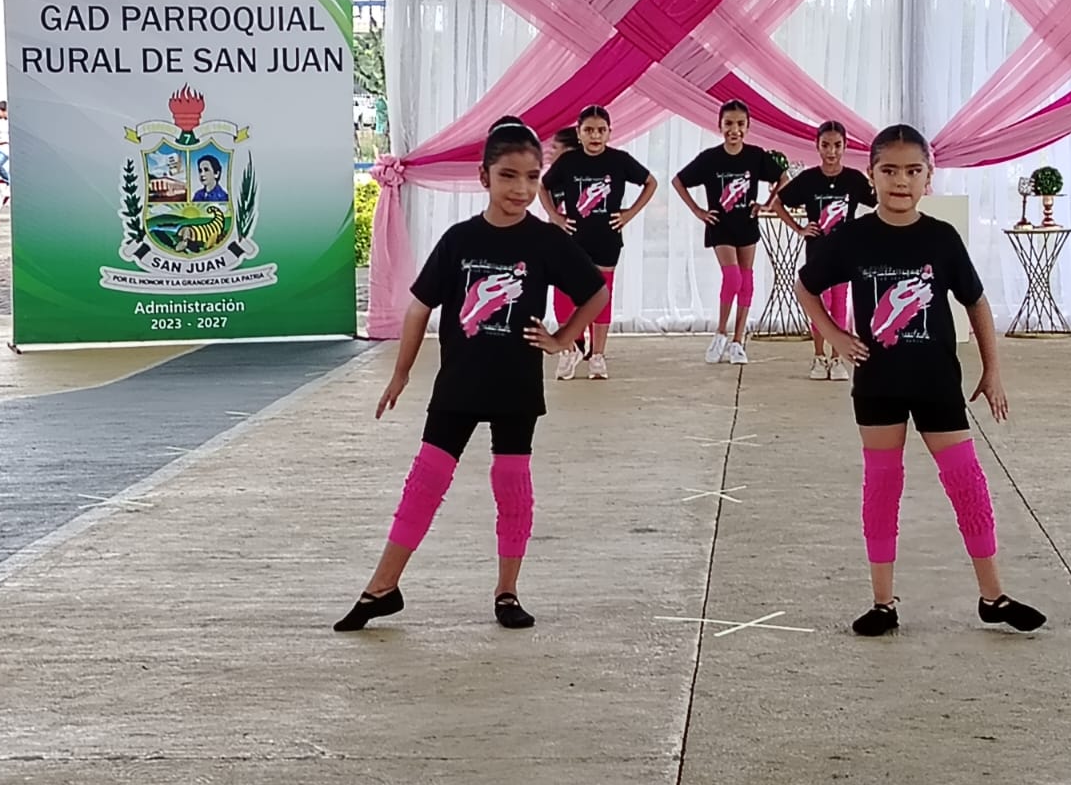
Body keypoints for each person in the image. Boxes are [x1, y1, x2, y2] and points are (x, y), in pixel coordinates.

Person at [335, 117, 609, 633]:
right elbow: (419, 308)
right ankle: (383, 587)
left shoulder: (546, 241)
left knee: (511, 484)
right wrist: (401, 374)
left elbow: (596, 292)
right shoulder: (460, 239)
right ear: (484, 177)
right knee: (425, 481)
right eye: (508, 176)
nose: (521, 189)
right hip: (458, 384)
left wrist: (562, 339)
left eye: (532, 177)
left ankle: (507, 592)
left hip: (515, 386)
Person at [793, 123, 1045, 638]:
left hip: (936, 383)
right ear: (871, 176)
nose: (901, 181)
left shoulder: (941, 238)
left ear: (928, 177)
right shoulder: (853, 238)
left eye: (912, 171)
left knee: (966, 482)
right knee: (883, 486)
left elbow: (976, 302)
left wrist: (992, 370)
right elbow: (806, 286)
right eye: (889, 170)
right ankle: (883, 602)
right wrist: (836, 336)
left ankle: (993, 595)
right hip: (878, 384)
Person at [539, 105, 657, 381]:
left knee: (602, 296)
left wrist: (629, 214)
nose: (595, 135)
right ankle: (570, 349)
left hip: (606, 238)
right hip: (572, 240)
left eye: (601, 130)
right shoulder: (568, 162)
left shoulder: (620, 160)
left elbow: (651, 182)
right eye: (589, 130)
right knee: (564, 295)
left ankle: (598, 356)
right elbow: (543, 186)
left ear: (609, 133)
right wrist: (555, 216)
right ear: (579, 133)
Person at [673, 100, 787, 365]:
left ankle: (738, 341)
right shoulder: (710, 158)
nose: (734, 130)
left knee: (746, 280)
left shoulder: (755, 155)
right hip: (720, 225)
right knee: (732, 278)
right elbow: (679, 181)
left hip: (746, 224)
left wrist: (767, 204)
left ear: (748, 127)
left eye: (740, 124)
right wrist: (698, 211)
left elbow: (783, 178)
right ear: (719, 125)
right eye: (728, 124)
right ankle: (720, 333)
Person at [769, 120, 875, 381]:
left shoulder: (854, 179)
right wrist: (799, 228)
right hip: (817, 252)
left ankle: (837, 357)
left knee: (840, 302)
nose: (831, 151)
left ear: (845, 146)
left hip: (846, 253)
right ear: (817, 146)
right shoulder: (808, 179)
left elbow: (877, 201)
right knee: (820, 303)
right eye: (826, 145)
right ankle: (819, 356)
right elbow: (777, 203)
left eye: (837, 145)